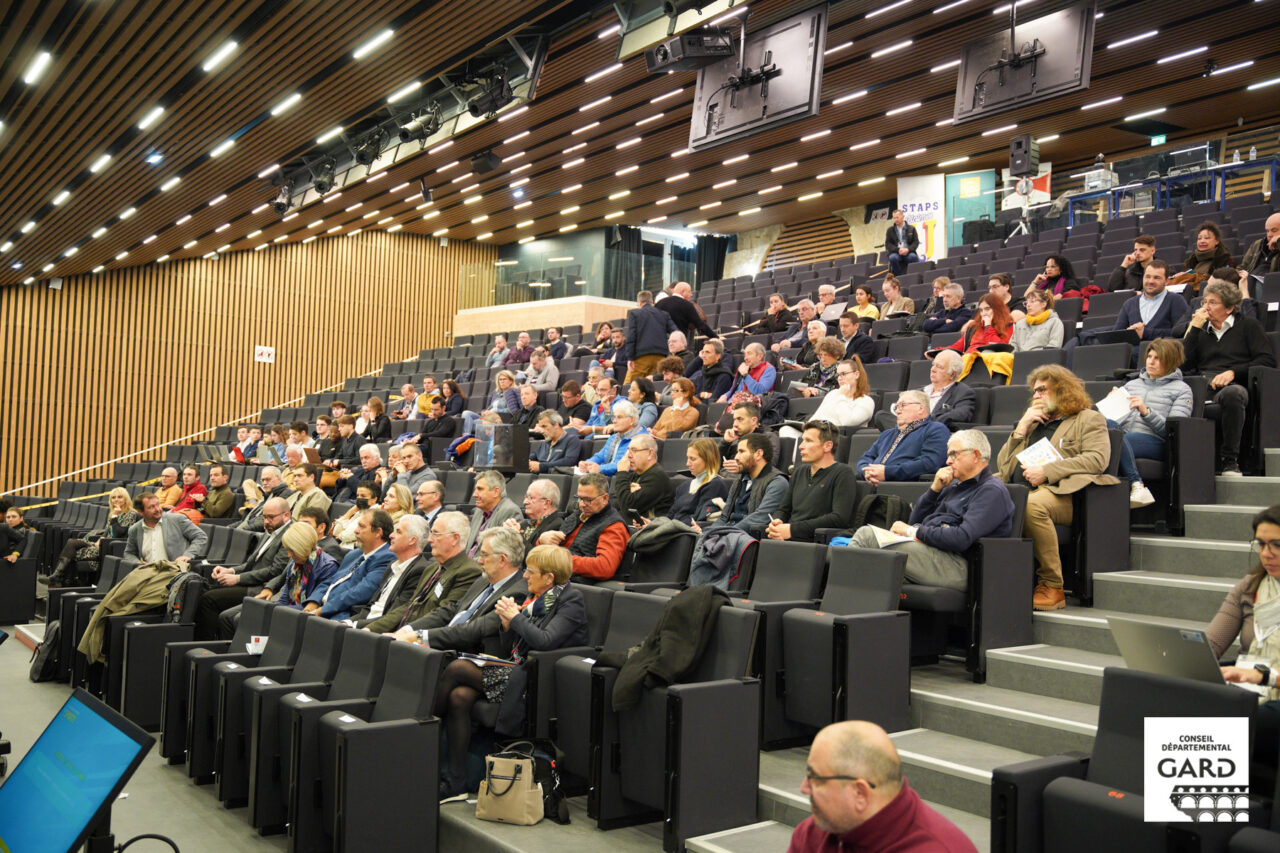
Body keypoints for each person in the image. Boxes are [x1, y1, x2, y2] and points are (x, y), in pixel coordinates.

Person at [434, 543, 587, 798]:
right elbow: (511, 648)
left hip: (536, 678)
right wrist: (507, 626)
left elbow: (545, 641)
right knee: (459, 697)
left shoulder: (570, 600)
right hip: (516, 668)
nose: (525, 576)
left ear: (549, 578)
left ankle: (424, 727)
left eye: (531, 571)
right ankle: (455, 781)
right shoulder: (535, 599)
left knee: (458, 668)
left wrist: (515, 619)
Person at [995, 365, 1120, 611]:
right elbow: (1004, 466)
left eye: (1042, 390)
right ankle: (997, 581)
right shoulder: (1033, 423)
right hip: (1022, 488)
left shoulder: (1088, 418)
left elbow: (1097, 459)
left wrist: (1049, 471)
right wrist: (1021, 429)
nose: (1036, 396)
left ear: (1062, 390)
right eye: (1034, 391)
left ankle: (1052, 586)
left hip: (1067, 496)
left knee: (1031, 506)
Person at [848, 430, 1014, 591]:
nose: (948, 461)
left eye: (954, 455)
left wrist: (913, 532)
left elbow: (961, 538)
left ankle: (838, 598)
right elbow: (914, 521)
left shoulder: (991, 491)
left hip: (960, 566)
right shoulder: (954, 487)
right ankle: (855, 610)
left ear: (976, 456)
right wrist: (934, 489)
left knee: (867, 536)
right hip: (932, 553)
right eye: (948, 455)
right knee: (877, 569)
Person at [788, 720, 978, 853]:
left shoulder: (938, 848)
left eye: (816, 779)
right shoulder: (814, 834)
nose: (804, 787)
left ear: (860, 793)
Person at [1181, 272, 1276, 474]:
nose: (1206, 308)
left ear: (1229, 308)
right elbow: (1182, 364)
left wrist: (1233, 372)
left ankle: (1229, 461)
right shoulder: (1201, 329)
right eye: (1205, 302)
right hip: (1202, 384)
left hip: (1234, 384)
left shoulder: (1248, 326)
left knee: (1233, 395)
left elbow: (1267, 360)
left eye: (1213, 303)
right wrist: (1194, 330)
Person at [1210, 504, 1280, 776]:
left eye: (1276, 545)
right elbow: (1210, 645)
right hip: (1249, 690)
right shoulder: (1250, 587)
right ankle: (1186, 813)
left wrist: (1260, 676)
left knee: (1257, 718)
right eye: (1260, 544)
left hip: (1270, 694)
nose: (1266, 553)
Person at [397, 525, 529, 651]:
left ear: (502, 560)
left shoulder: (517, 594)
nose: (479, 560)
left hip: (467, 656)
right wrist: (407, 630)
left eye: (484, 555)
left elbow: (470, 631)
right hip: (446, 643)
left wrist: (418, 637)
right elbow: (452, 610)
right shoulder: (483, 579)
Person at [686, 433, 789, 587]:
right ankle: (695, 589)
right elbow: (724, 516)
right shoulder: (739, 481)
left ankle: (706, 591)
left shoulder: (777, 482)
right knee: (696, 538)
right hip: (729, 534)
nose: (736, 457)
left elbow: (760, 517)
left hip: (747, 538)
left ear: (758, 454)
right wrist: (712, 532)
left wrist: (725, 533)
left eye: (741, 452)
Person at [1107, 338, 1193, 508]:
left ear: (1170, 361)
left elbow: (1175, 431)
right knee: (1107, 427)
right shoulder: (1132, 384)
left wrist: (1146, 412)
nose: (1151, 362)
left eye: (1157, 358)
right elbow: (1113, 422)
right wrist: (1111, 403)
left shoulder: (1182, 389)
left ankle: (1137, 484)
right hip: (1125, 435)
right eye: (1149, 356)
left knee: (1118, 440)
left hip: (1155, 441)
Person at [365, 510, 482, 633]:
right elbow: (408, 607)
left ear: (454, 538)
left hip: (422, 641)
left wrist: (406, 632)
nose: (430, 540)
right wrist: (371, 628)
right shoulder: (431, 568)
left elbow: (443, 615)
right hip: (402, 634)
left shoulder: (468, 572)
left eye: (436, 534)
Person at [194, 497, 292, 638]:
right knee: (204, 588)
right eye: (264, 517)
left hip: (261, 588)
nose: (266, 522)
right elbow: (250, 563)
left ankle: (208, 645)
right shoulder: (271, 531)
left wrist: (238, 578)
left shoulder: (289, 535)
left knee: (209, 600)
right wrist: (231, 570)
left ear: (286, 515)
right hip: (250, 582)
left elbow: (275, 571)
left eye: (271, 517)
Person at [766, 420, 857, 542]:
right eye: (803, 440)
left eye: (808, 441)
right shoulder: (799, 471)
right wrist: (778, 521)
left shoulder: (843, 473)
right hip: (787, 538)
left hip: (814, 543)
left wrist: (792, 529)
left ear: (827, 446)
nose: (801, 446)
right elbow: (784, 509)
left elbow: (839, 518)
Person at [304, 508, 396, 620]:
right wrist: (312, 603)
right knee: (284, 615)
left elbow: (359, 593)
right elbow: (330, 581)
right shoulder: (354, 554)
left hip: (343, 613)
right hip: (320, 607)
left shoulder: (386, 558)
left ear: (378, 532)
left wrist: (321, 610)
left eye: (362, 526)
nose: (356, 531)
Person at [343, 514, 429, 629]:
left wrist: (354, 625)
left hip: (379, 631)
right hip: (363, 624)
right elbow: (371, 607)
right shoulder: (391, 565)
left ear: (412, 540)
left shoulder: (419, 571)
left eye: (398, 532)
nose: (391, 535)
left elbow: (393, 616)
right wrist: (348, 622)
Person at [539, 472, 629, 581]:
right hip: (554, 576)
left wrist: (561, 560)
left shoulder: (613, 526)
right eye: (580, 498)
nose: (581, 504)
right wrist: (542, 541)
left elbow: (605, 567)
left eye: (588, 500)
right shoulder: (577, 515)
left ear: (605, 498)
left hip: (573, 585)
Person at [46, 487, 139, 586]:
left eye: (119, 497)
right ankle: (59, 577)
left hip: (111, 548)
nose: (116, 500)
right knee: (71, 543)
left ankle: (61, 579)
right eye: (113, 497)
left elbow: (118, 533)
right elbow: (107, 532)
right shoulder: (113, 513)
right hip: (103, 544)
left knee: (72, 553)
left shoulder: (131, 514)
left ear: (126, 499)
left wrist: (115, 518)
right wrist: (100, 539)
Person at [857, 391, 950, 485]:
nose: (897, 411)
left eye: (903, 405)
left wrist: (887, 472)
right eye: (897, 407)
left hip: (903, 487)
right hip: (873, 484)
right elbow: (866, 457)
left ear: (920, 408)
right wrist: (867, 472)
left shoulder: (936, 429)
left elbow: (929, 463)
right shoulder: (887, 434)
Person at [785, 358, 874, 439]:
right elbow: (816, 418)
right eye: (838, 375)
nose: (840, 378)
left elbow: (848, 422)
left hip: (835, 437)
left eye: (844, 374)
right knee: (786, 429)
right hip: (818, 433)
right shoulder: (833, 394)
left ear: (856, 374)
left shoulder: (866, 401)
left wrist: (842, 397)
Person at [937, 294, 1014, 382]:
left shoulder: (1008, 325)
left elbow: (998, 346)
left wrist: (988, 326)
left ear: (997, 309)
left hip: (987, 364)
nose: (984, 313)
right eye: (981, 310)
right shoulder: (973, 327)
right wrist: (938, 351)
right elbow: (958, 346)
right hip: (967, 361)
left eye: (987, 309)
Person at [122, 491, 207, 569]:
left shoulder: (177, 520)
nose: (158, 509)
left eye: (158, 505)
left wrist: (188, 555)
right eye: (152, 507)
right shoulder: (135, 529)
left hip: (175, 571)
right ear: (140, 512)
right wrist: (137, 563)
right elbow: (129, 553)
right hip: (148, 573)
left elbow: (200, 536)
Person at [268, 523, 342, 610]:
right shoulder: (295, 564)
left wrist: (279, 610)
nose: (289, 555)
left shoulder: (328, 567)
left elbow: (312, 606)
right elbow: (285, 598)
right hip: (291, 612)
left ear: (303, 547)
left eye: (292, 551)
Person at [610, 434, 674, 524]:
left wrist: (622, 473)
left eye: (634, 450)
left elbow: (627, 507)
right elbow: (611, 501)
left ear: (650, 453)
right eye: (628, 450)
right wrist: (627, 492)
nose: (629, 455)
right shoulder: (636, 474)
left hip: (649, 531)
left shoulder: (657, 477)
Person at [669, 437, 728, 526]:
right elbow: (670, 515)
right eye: (688, 458)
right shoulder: (684, 485)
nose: (687, 464)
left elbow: (698, 518)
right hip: (674, 528)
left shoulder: (715, 485)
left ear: (708, 459)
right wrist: (654, 524)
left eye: (693, 459)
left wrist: (669, 524)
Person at [578, 401, 647, 477]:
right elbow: (600, 456)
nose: (614, 421)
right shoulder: (614, 437)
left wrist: (600, 468)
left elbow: (625, 464)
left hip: (626, 480)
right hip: (608, 479)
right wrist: (587, 463)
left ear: (632, 420)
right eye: (614, 417)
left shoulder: (641, 439)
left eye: (619, 417)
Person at [624, 290, 679, 383]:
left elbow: (631, 336)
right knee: (654, 386)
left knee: (629, 386)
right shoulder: (664, 314)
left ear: (639, 302)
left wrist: (630, 357)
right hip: (661, 356)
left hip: (641, 357)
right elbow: (676, 332)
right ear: (652, 302)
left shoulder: (634, 314)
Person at [465, 470, 523, 555]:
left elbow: (500, 554)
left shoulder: (510, 511)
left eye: (480, 489)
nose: (474, 494)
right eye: (475, 489)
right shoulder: (479, 511)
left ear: (496, 492)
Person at [504, 478, 564, 548]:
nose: (525, 502)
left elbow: (534, 556)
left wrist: (515, 536)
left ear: (546, 503)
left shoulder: (557, 526)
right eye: (526, 497)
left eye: (530, 498)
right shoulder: (523, 524)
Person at [1239, 212, 1280, 298]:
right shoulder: (1257, 245)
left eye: (1274, 230)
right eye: (1267, 231)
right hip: (1251, 282)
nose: (1269, 235)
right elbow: (1242, 267)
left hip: (1273, 286)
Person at [885, 208, 920, 276]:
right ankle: (899, 276)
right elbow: (888, 244)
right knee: (892, 258)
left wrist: (908, 249)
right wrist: (898, 250)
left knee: (912, 257)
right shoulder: (890, 230)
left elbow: (916, 242)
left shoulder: (911, 228)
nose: (895, 220)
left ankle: (914, 275)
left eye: (897, 217)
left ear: (903, 217)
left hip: (909, 252)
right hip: (896, 253)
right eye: (894, 218)